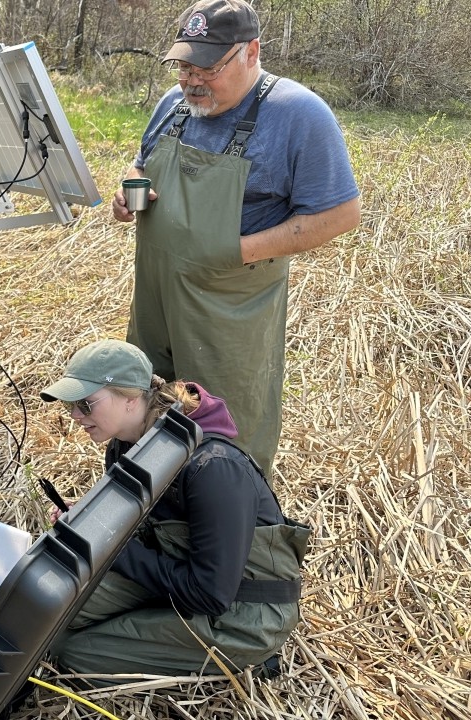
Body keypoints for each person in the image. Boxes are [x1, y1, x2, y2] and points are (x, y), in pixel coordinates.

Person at [112, 0, 360, 476]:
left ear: (251, 52)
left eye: (206, 66)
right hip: (155, 296)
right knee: (142, 399)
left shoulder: (297, 114)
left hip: (228, 305)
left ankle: (228, 528)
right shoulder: (174, 104)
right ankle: (142, 506)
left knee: (224, 428)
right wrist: (127, 193)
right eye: (184, 65)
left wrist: (234, 252)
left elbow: (340, 213)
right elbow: (140, 164)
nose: (191, 80)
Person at [40, 339, 309, 681]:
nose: (76, 416)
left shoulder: (213, 468)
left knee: (74, 652)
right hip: (177, 570)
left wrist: (108, 542)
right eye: (70, 405)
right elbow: (142, 526)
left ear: (131, 398)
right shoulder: (125, 446)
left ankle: (249, 659)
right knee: (53, 617)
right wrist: (90, 519)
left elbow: (209, 594)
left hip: (244, 611)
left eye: (85, 404)